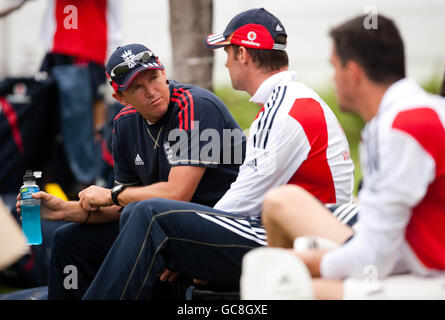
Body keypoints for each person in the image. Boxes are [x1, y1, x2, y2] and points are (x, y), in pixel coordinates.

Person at [82, 8, 355, 300]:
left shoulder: (285, 111)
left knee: (149, 214)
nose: (224, 63)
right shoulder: (291, 102)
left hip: (302, 236)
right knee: (99, 229)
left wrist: (191, 240)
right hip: (299, 228)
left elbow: (242, 199)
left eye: (226, 53)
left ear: (242, 55)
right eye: (137, 87)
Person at [16, 43, 246, 299]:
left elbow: (176, 193)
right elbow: (126, 205)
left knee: (144, 216)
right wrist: (64, 210)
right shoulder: (125, 124)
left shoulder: (194, 105)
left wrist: (113, 194)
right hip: (166, 226)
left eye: (154, 78)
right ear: (120, 98)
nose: (151, 91)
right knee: (68, 239)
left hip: (223, 226)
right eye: (137, 87)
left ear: (164, 73)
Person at [243, 14, 445, 300]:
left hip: (432, 277)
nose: (333, 78)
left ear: (353, 72)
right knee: (282, 204)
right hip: (417, 262)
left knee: (282, 287)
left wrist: (297, 262)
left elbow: (374, 260)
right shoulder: (411, 114)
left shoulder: (402, 127)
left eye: (334, 67)